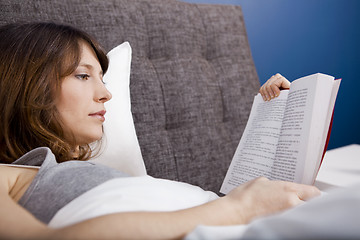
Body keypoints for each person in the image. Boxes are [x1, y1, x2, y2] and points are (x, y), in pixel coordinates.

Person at [0, 22, 320, 240]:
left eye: (102, 78)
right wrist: (237, 208)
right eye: (83, 76)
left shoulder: (86, 169)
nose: (106, 94)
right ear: (27, 87)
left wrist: (275, 111)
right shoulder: (8, 176)